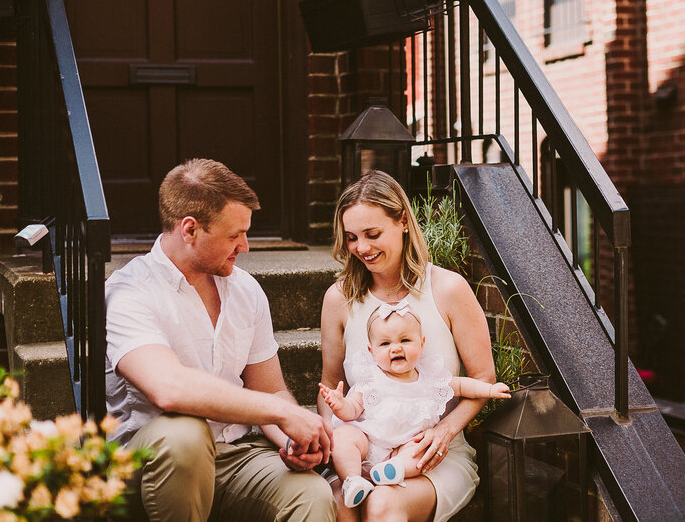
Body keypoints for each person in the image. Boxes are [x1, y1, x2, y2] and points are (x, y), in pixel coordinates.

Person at [105, 158, 336, 522]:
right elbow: (169, 389)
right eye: (234, 235)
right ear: (190, 229)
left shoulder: (245, 289)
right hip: (153, 460)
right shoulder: (129, 293)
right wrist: (284, 413)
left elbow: (270, 389)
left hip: (234, 453)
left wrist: (290, 440)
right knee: (186, 433)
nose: (244, 246)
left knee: (313, 494)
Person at [319, 170, 497, 522]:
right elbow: (330, 384)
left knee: (384, 503)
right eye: (352, 238)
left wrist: (444, 431)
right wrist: (341, 445)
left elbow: (484, 377)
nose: (362, 248)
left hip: (431, 455)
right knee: (339, 503)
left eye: (372, 234)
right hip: (364, 450)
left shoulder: (448, 289)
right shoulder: (338, 299)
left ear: (402, 221)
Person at [319, 303, 510, 509]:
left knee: (420, 451)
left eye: (405, 340)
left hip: (403, 448)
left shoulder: (430, 378)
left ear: (421, 344)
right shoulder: (370, 380)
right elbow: (352, 410)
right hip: (366, 445)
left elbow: (462, 385)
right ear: (371, 351)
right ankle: (353, 480)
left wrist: (489, 390)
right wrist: (339, 405)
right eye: (385, 344)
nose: (396, 347)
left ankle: (394, 470)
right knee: (344, 436)